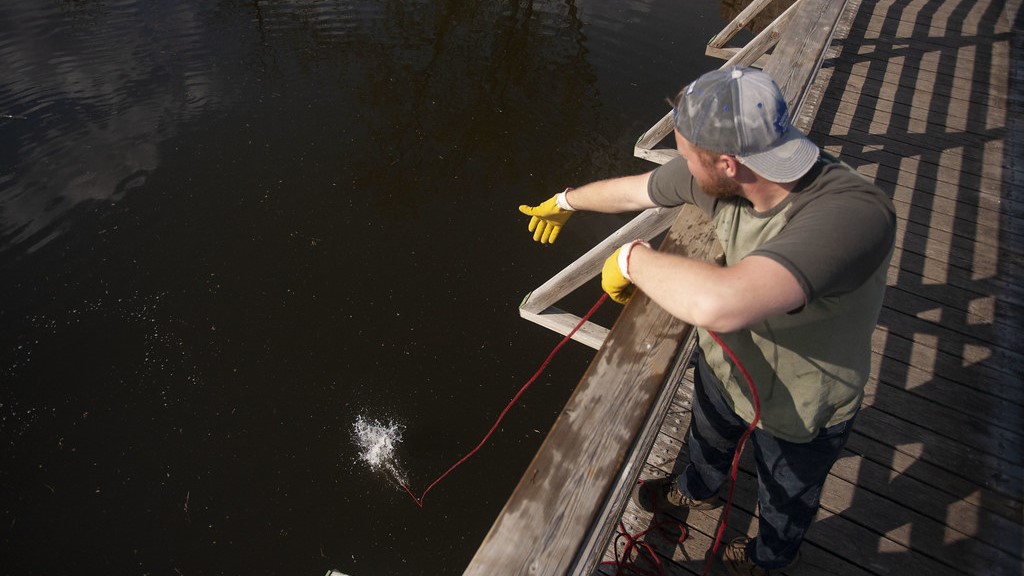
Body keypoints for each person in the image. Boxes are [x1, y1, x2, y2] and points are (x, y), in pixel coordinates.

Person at [518, 67, 896, 576]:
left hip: (804, 406)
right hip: (725, 367)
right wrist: (566, 201)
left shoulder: (853, 213)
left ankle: (769, 558)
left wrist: (632, 259)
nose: (684, 168)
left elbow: (723, 303)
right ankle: (697, 489)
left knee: (787, 496)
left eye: (688, 155)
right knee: (707, 440)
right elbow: (637, 190)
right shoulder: (722, 179)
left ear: (729, 162)